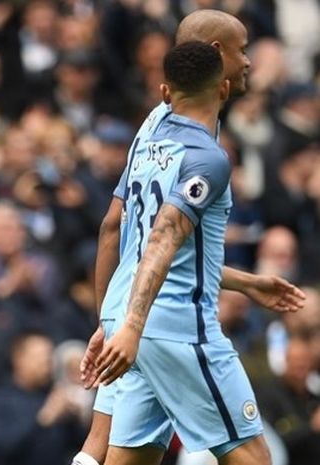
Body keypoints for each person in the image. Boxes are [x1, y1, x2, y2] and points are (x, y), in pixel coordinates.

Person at [70, 10, 307, 465]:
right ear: (218, 63)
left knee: (118, 457)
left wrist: (111, 319)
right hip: (179, 327)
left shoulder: (153, 128)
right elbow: (162, 239)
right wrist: (129, 327)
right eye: (242, 50)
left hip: (133, 317)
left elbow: (114, 229)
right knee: (254, 456)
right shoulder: (209, 157)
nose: (249, 61)